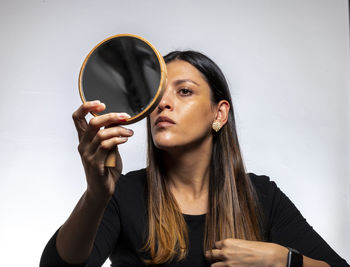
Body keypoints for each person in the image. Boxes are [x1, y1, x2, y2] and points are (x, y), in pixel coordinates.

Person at [40, 51, 349, 267]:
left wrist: (282, 260)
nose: (164, 104)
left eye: (184, 91)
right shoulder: (124, 194)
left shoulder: (261, 197)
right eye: (156, 96)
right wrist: (96, 194)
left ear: (219, 113)